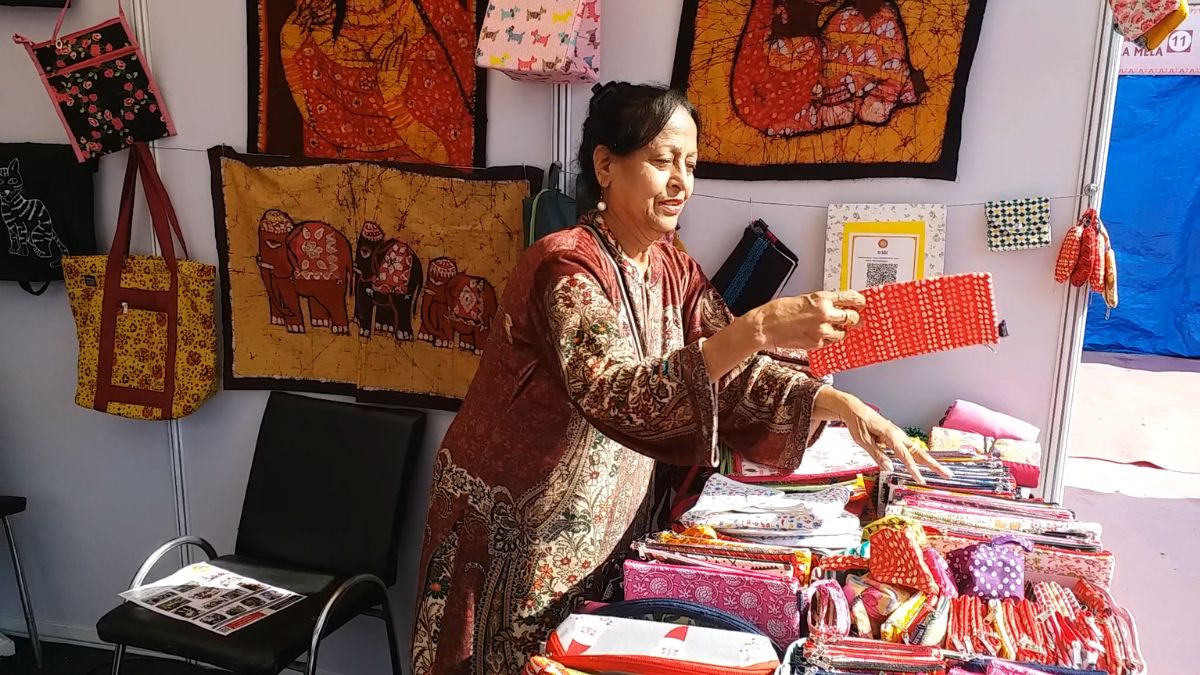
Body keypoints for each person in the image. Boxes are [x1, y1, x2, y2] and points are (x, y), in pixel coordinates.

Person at [410, 81, 950, 675]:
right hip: (516, 538)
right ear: (606, 166)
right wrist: (760, 326)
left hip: (605, 536)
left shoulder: (668, 262)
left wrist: (838, 403)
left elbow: (730, 374)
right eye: (663, 160)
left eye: (690, 164)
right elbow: (619, 393)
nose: (681, 182)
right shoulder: (564, 265)